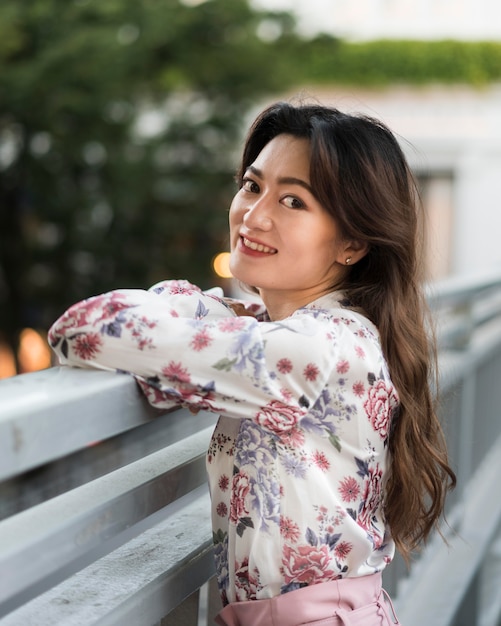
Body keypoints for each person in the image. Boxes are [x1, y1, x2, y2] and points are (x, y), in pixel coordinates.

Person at [49, 101, 456, 625]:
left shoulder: (313, 349)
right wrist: (217, 312)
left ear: (353, 242)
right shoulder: (299, 331)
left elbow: (85, 329)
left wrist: (205, 313)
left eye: (292, 201)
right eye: (252, 185)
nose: (254, 215)